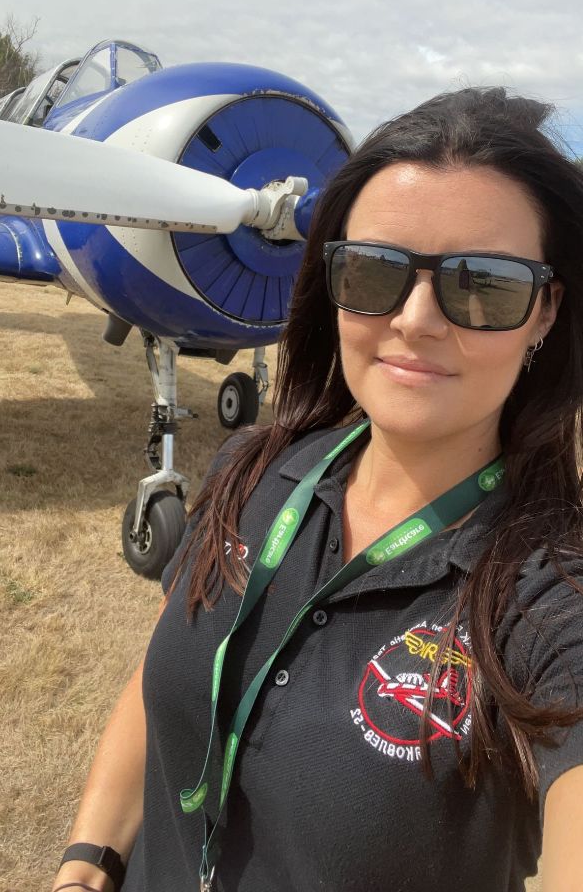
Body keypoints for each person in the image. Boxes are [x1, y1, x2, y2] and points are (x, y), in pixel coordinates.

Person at [52, 87, 583, 892]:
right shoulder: (254, 468)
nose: (415, 319)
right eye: (374, 270)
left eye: (483, 284)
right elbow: (165, 668)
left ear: (544, 310)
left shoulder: (549, 595)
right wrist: (88, 859)